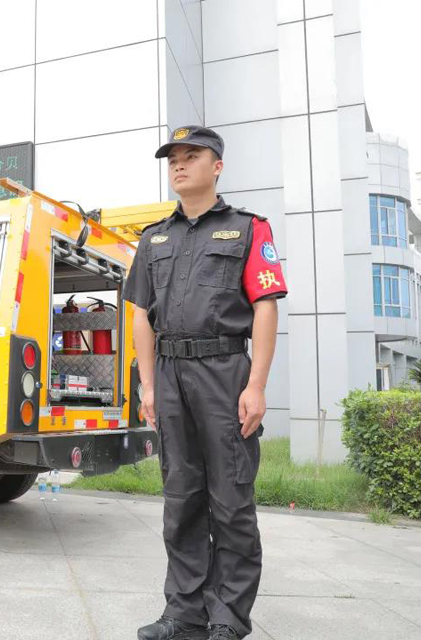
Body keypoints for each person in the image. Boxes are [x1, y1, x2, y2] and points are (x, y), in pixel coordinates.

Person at [123, 126, 288, 640]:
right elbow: (140, 315)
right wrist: (149, 386)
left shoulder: (248, 229)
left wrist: (256, 385)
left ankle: (228, 618)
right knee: (181, 497)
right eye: (173, 157)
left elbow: (265, 306)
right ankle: (183, 613)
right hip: (170, 375)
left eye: (191, 155)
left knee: (231, 501)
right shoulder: (154, 238)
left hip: (224, 373)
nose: (178, 164)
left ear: (217, 166)